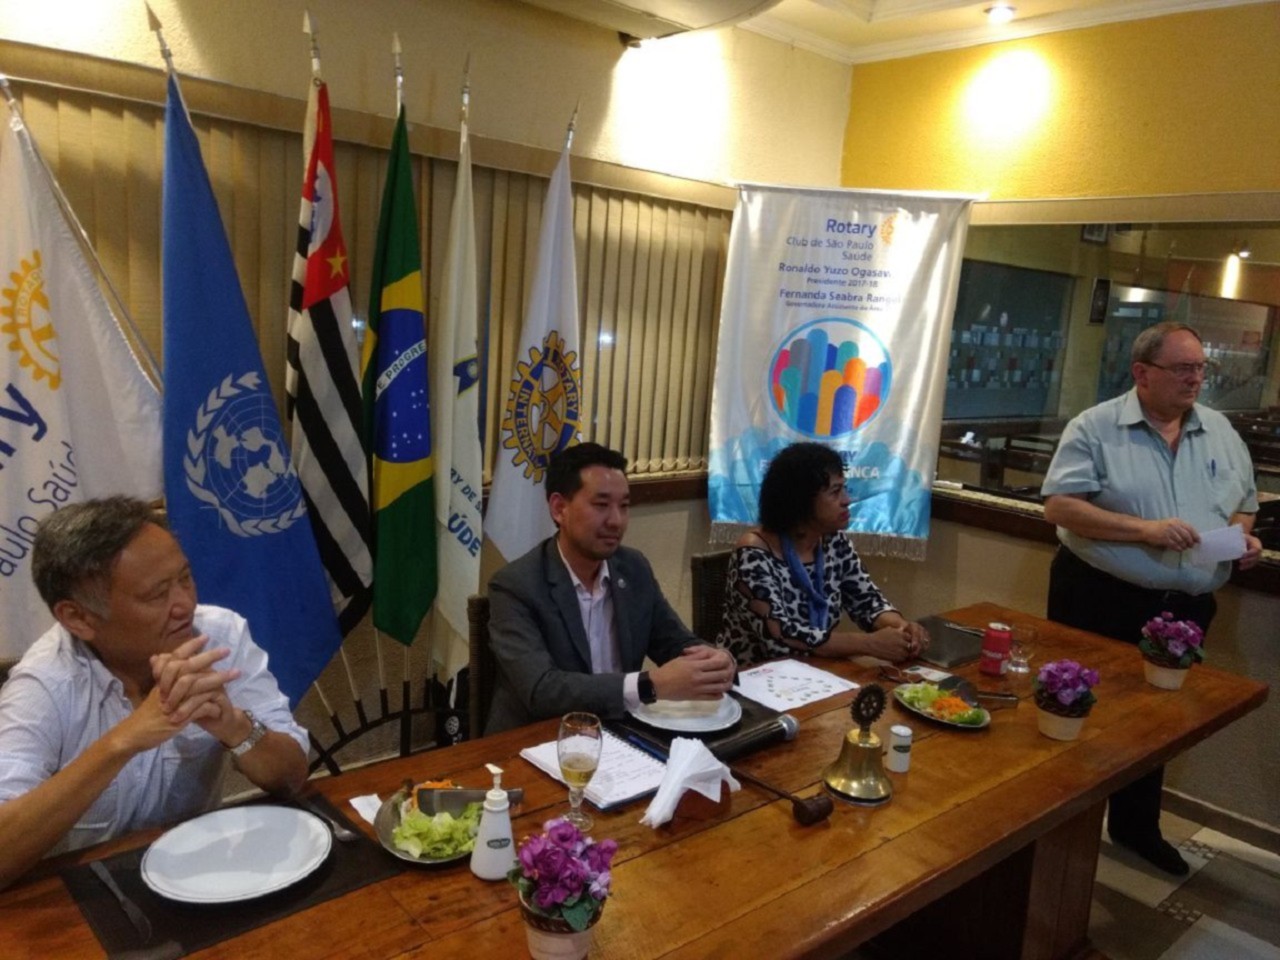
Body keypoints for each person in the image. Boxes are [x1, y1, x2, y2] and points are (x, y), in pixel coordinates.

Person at [1042, 321, 1262, 876]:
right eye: (1183, 368)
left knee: (1157, 724)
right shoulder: (1096, 427)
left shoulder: (1220, 431)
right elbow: (1060, 506)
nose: (1196, 378)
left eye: (1201, 368)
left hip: (1184, 611)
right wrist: (1145, 531)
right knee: (1078, 712)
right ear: (1142, 373)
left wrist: (1241, 537)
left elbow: (1246, 502)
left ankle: (1136, 828)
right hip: (1100, 596)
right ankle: (1059, 833)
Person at [0, 497, 310, 890]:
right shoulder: (44, 685)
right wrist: (123, 742)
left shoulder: (219, 638)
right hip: (76, 895)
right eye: (156, 595)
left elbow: (292, 777)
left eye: (185, 578)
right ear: (78, 617)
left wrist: (235, 728)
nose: (185, 605)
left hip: (201, 875)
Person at [485, 443, 736, 734]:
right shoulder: (515, 585)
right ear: (559, 508)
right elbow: (542, 690)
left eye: (624, 506)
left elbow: (675, 642)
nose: (616, 520)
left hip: (621, 731)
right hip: (539, 739)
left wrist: (718, 660)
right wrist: (649, 684)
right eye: (601, 505)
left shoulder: (633, 567)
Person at [717, 441, 930, 668]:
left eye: (844, 489)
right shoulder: (753, 552)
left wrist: (901, 628)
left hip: (819, 670)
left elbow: (867, 602)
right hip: (754, 676)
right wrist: (868, 644)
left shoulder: (833, 541)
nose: (847, 500)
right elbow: (780, 638)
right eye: (835, 492)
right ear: (801, 501)